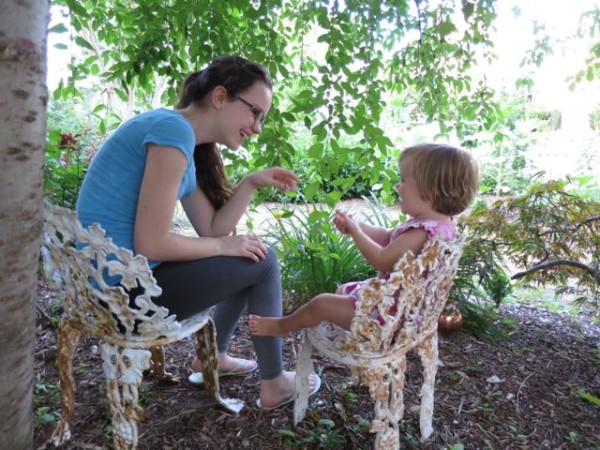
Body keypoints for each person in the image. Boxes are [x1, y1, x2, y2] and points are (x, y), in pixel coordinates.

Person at [76, 55, 320, 410]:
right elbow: (153, 242)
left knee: (245, 252)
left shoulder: (181, 139)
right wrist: (225, 244)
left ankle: (213, 358)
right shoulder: (172, 133)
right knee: (263, 260)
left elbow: (211, 228)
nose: (257, 127)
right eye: (255, 112)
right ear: (220, 97)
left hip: (114, 280)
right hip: (122, 294)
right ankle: (275, 384)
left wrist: (250, 183)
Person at [248, 143, 480, 337]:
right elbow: (390, 237)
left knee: (322, 303)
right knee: (342, 291)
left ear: (429, 192)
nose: (398, 186)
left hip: (389, 318)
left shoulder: (422, 232)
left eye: (403, 180)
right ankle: (344, 330)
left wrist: (356, 233)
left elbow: (381, 260)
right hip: (400, 307)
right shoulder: (439, 225)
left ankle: (281, 327)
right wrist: (357, 226)